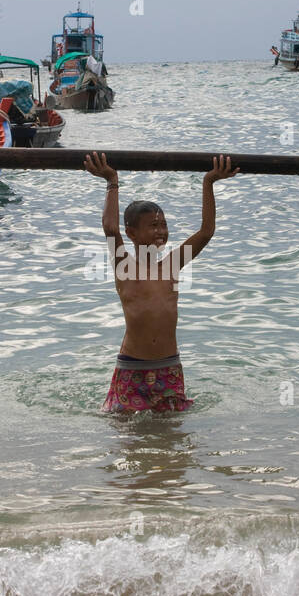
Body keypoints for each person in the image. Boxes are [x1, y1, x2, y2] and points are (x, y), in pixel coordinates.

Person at [83, 151, 238, 413]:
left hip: (168, 366)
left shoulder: (172, 264)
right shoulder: (125, 266)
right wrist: (111, 181)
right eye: (153, 225)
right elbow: (111, 229)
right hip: (132, 365)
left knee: (173, 436)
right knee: (128, 437)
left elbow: (206, 232)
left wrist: (208, 183)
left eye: (164, 225)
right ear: (132, 233)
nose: (161, 232)